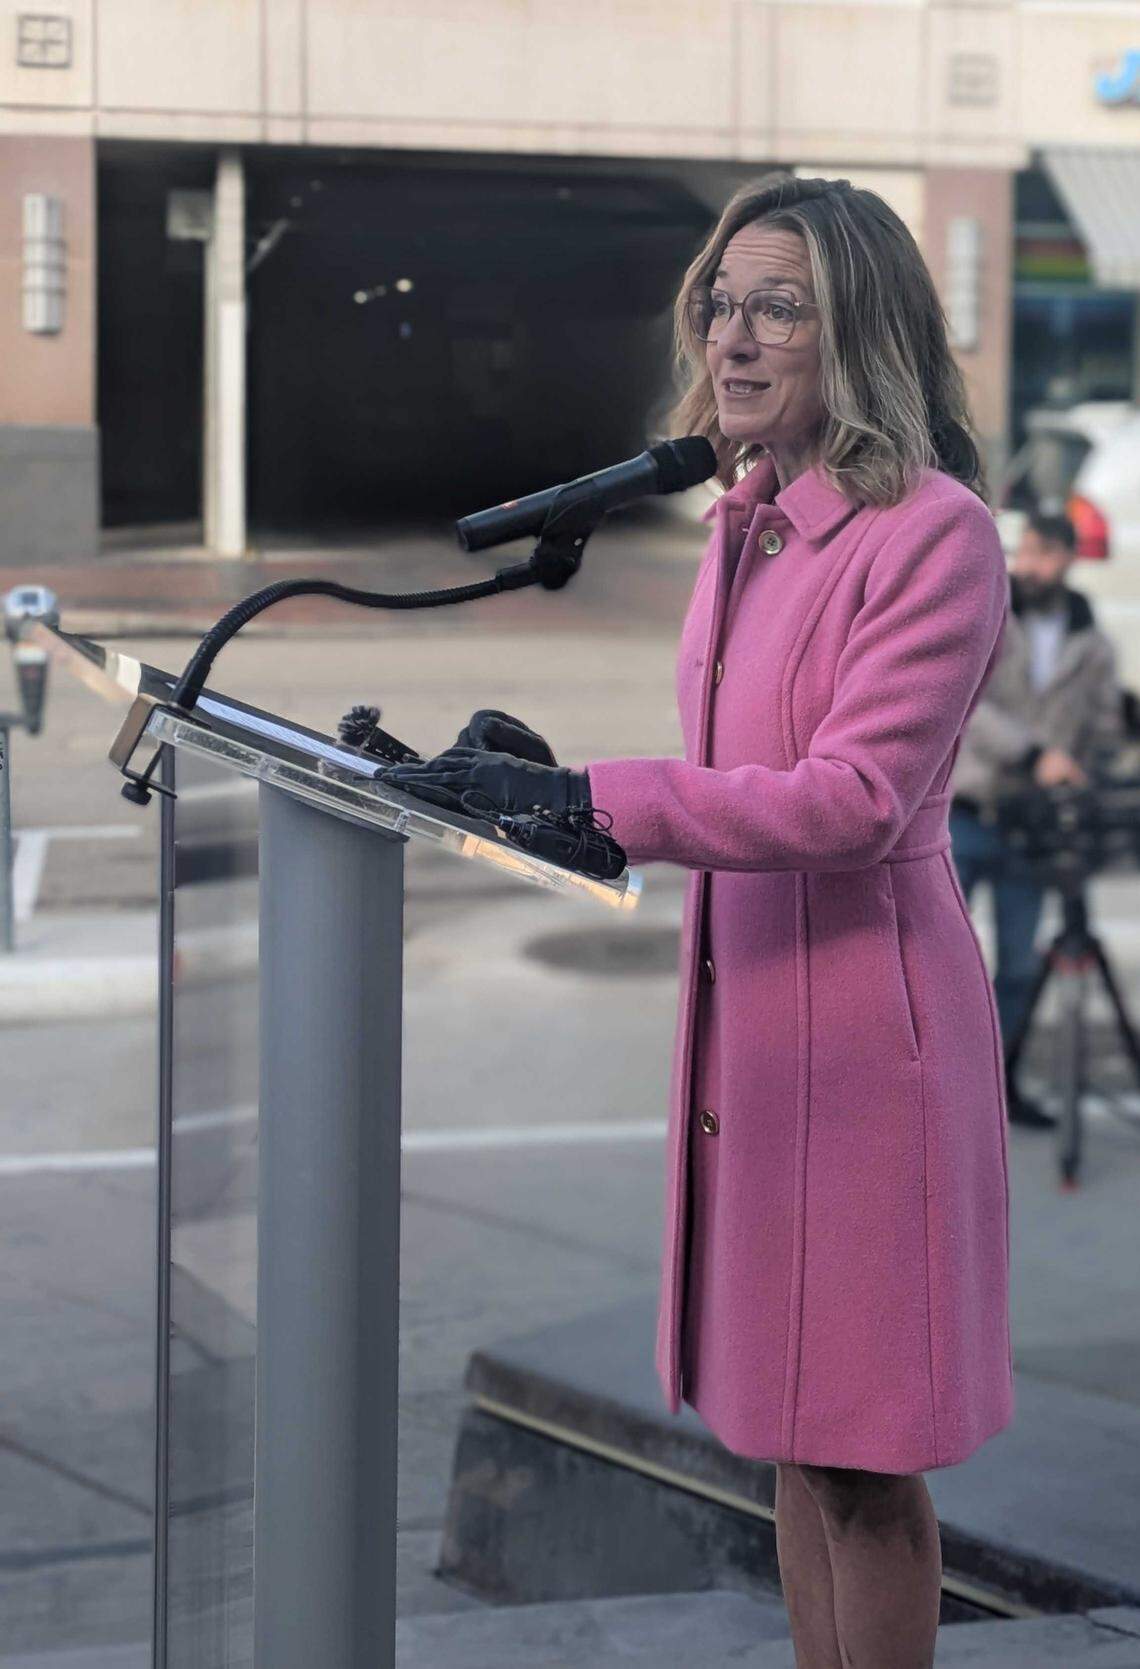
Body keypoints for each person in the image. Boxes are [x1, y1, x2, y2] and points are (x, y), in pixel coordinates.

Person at [383, 173, 1013, 1669]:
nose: (731, 339)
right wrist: (551, 784)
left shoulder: (933, 534)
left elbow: (854, 798)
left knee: (863, 1453)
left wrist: (603, 799)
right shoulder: (748, 524)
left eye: (777, 309)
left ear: (860, 333)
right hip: (757, 1034)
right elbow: (734, 771)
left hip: (869, 1048)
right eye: (720, 305)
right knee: (794, 1433)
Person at [950, 509, 1123, 1129]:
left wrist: (1096, 758)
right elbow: (968, 701)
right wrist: (1033, 754)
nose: (1029, 566)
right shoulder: (991, 617)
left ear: (1069, 558)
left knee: (1020, 966)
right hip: (970, 812)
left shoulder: (1091, 641)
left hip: (1034, 830)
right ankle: (934, 1082)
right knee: (941, 958)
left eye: (1044, 554)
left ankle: (998, 1083)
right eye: (1024, 552)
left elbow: (1102, 726)